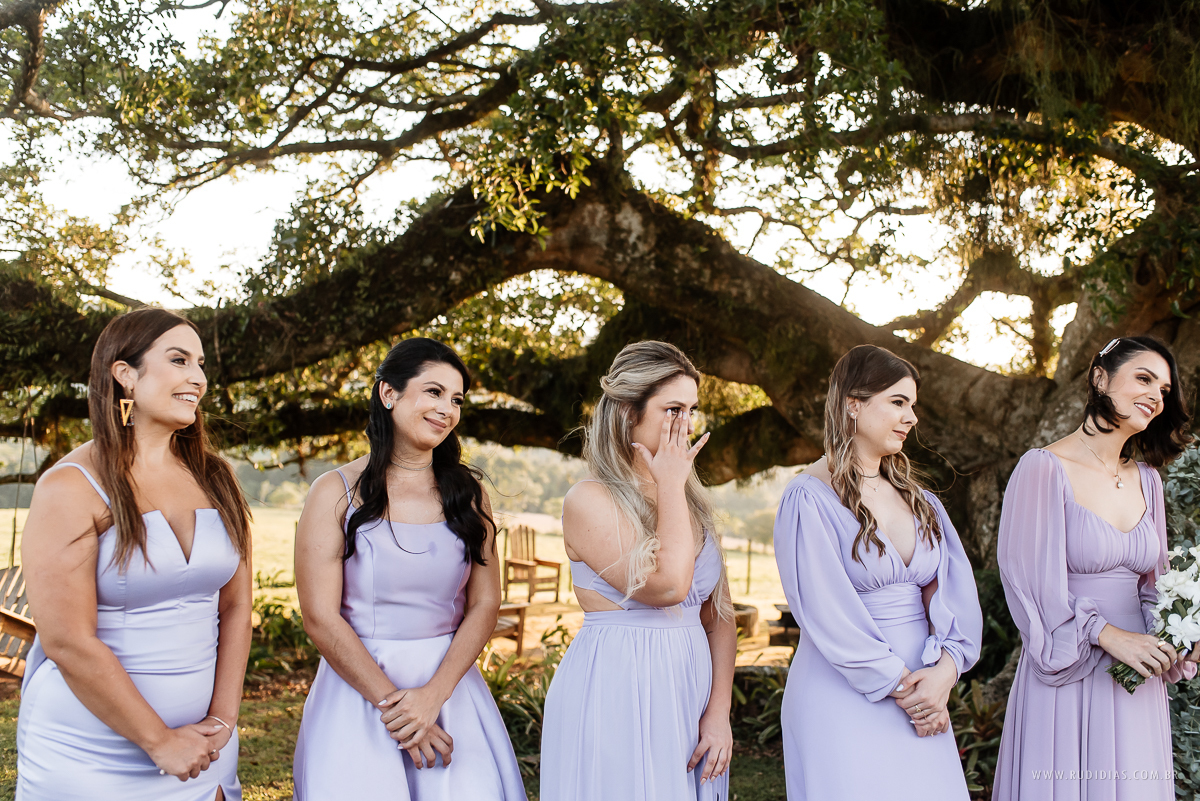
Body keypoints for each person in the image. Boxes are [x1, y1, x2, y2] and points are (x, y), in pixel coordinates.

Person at [17, 308, 251, 800]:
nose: (198, 378)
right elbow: (67, 641)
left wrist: (223, 721)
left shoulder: (216, 476)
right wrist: (159, 740)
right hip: (90, 752)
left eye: (201, 363)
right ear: (125, 375)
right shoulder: (71, 486)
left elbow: (235, 607)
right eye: (179, 360)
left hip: (203, 746)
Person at [292, 337, 525, 800]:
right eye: (434, 392)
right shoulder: (333, 492)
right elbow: (319, 616)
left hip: (451, 689)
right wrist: (399, 711)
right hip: (358, 693)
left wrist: (433, 697)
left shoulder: (470, 495)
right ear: (388, 394)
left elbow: (484, 603)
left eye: (457, 399)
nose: (447, 409)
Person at [772, 344, 982, 800]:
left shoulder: (921, 500)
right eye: (898, 402)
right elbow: (826, 610)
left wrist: (945, 672)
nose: (912, 418)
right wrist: (910, 692)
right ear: (854, 404)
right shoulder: (808, 498)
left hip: (926, 693)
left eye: (913, 406)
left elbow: (950, 593)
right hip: (846, 694)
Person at [994, 335, 1197, 801]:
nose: (1155, 395)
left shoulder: (1147, 478)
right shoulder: (1043, 469)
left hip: (1136, 681)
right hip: (1069, 665)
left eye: (1164, 390)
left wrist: (1182, 635)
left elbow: (1154, 585)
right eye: (1144, 378)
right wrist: (1108, 635)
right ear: (1100, 377)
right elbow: (1028, 586)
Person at [540, 341, 737, 801]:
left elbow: (718, 614)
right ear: (629, 412)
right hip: (618, 684)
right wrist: (671, 483)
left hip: (691, 688)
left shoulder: (693, 503)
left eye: (691, 410)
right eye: (672, 409)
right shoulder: (588, 499)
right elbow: (668, 586)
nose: (685, 424)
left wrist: (719, 711)